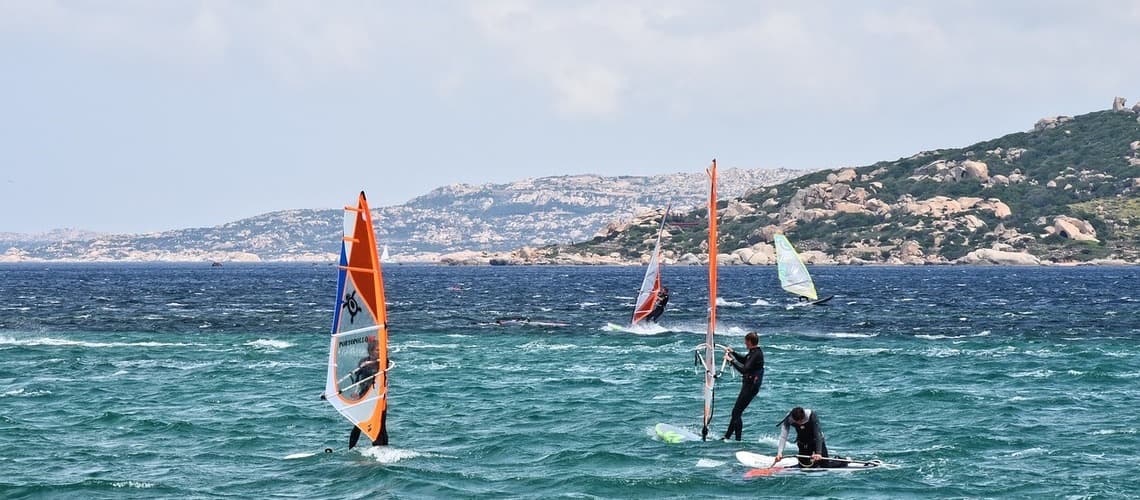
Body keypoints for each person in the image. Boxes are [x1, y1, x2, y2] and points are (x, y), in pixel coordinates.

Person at [347, 336, 389, 449]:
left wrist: (373, 362)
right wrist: (355, 392)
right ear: (370, 351)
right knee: (358, 424)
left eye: (381, 350)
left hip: (379, 398)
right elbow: (357, 379)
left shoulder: (383, 361)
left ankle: (380, 450)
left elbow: (384, 364)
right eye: (377, 350)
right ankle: (350, 448)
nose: (380, 352)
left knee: (380, 425)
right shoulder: (363, 361)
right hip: (364, 397)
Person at [721, 331, 764, 441]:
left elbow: (744, 370)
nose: (745, 343)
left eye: (745, 341)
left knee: (736, 412)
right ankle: (727, 436)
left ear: (749, 341)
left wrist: (731, 361)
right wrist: (733, 352)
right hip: (748, 386)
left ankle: (737, 440)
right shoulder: (753, 352)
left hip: (751, 387)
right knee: (736, 412)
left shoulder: (756, 354)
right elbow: (745, 360)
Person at [774, 406, 845, 468]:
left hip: (817, 441)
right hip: (803, 443)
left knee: (825, 465)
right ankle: (813, 463)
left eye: (801, 420)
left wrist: (818, 453)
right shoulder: (788, 418)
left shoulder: (811, 415)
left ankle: (841, 461)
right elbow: (783, 436)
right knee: (804, 466)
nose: (800, 423)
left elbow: (818, 435)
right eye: (797, 422)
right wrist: (779, 453)